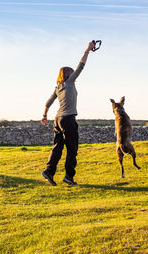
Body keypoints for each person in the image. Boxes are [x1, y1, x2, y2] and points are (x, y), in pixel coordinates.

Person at [41, 41, 96, 186]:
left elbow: (48, 103)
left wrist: (45, 116)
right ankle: (68, 177)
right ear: (68, 75)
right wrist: (87, 50)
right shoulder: (70, 82)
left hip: (57, 119)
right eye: (71, 73)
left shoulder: (58, 87)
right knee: (72, 149)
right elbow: (81, 67)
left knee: (57, 147)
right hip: (68, 120)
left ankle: (48, 171)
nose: (74, 75)